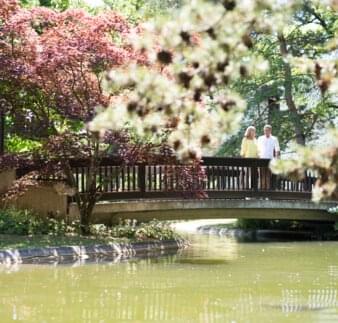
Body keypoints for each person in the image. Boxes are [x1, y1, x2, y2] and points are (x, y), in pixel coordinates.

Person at [257, 125, 280, 190]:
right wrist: (257, 158)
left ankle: (266, 193)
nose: (266, 131)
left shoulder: (274, 139)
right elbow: (257, 149)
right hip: (261, 160)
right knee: (261, 176)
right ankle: (261, 192)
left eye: (267, 130)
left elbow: (277, 150)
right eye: (265, 130)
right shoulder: (260, 138)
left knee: (268, 176)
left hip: (270, 160)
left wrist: (276, 159)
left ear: (270, 130)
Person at [240, 126, 258, 190]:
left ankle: (254, 190)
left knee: (254, 176)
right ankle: (246, 189)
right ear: (248, 132)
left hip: (255, 161)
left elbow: (258, 150)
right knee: (247, 175)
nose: (253, 132)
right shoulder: (245, 139)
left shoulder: (255, 140)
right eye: (251, 131)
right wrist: (243, 158)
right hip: (247, 160)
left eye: (254, 131)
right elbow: (243, 150)